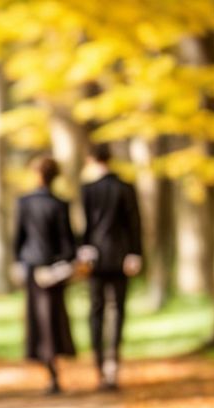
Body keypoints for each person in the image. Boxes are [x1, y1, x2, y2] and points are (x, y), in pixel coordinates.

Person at [78, 146, 143, 391]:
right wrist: (135, 253)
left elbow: (85, 226)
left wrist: (83, 250)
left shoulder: (88, 190)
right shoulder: (125, 188)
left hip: (94, 259)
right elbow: (135, 223)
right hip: (121, 257)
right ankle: (112, 363)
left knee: (96, 310)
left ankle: (99, 364)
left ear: (92, 160)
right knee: (117, 310)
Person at [13, 157, 79, 394]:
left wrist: (19, 263)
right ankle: (52, 370)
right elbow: (68, 243)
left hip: (34, 268)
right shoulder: (60, 204)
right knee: (52, 320)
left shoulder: (24, 203)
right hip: (53, 269)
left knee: (41, 321)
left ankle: (51, 371)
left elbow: (18, 239)